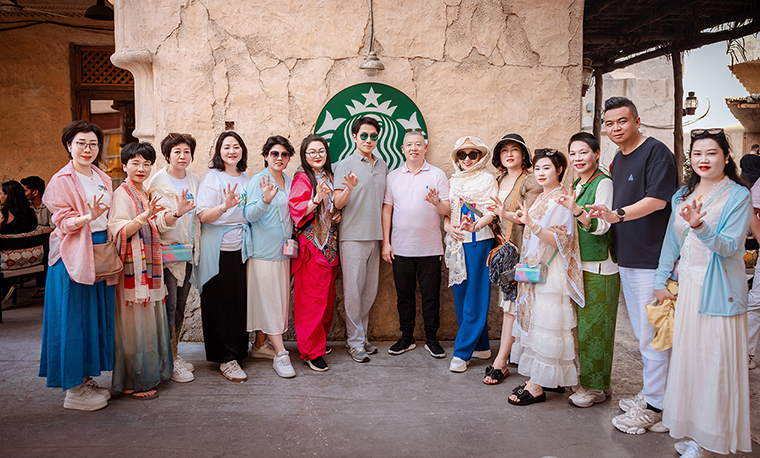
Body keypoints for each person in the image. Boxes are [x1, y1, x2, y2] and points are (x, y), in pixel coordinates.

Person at [654, 128, 751, 456]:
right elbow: (672, 241)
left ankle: (710, 442)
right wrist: (660, 279)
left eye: (712, 153)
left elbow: (730, 247)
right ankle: (696, 433)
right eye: (697, 153)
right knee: (691, 364)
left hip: (719, 291)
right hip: (689, 288)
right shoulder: (682, 195)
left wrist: (699, 225)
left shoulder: (738, 195)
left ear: (727, 156)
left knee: (715, 366)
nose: (704, 159)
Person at [587, 97, 678, 434]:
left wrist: (618, 215)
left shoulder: (656, 153)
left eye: (622, 121)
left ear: (637, 121)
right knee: (644, 334)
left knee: (652, 336)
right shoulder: (618, 158)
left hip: (651, 260)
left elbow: (658, 201)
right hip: (627, 257)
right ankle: (657, 396)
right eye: (609, 123)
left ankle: (654, 406)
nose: (615, 128)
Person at [38, 120, 115, 411]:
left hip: (98, 252)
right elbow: (62, 222)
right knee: (72, 319)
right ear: (69, 145)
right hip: (71, 255)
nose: (87, 149)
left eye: (93, 144)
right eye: (80, 143)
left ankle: (85, 379)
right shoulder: (61, 180)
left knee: (91, 317)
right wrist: (87, 217)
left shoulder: (101, 176)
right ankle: (73, 390)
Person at [506, 149, 584, 405]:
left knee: (546, 325)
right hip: (536, 268)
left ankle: (536, 385)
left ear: (559, 170)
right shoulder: (543, 195)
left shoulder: (560, 198)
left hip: (551, 271)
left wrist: (533, 225)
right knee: (538, 324)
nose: (540, 173)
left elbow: (561, 240)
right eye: (537, 168)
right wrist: (505, 214)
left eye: (546, 168)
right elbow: (528, 222)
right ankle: (548, 379)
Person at [555, 132, 619, 407]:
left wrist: (576, 211)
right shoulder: (577, 184)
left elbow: (602, 225)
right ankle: (595, 382)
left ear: (597, 153)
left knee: (596, 328)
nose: (578, 158)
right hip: (580, 263)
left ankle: (595, 388)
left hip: (600, 266)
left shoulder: (604, 183)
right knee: (583, 327)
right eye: (573, 153)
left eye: (583, 152)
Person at [109, 142, 175, 399]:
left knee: (144, 325)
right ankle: (133, 381)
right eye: (135, 163)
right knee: (132, 327)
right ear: (124, 165)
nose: (141, 168)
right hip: (132, 272)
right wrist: (143, 217)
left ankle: (142, 375)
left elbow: (155, 224)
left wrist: (176, 213)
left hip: (146, 269)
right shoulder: (122, 194)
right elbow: (119, 230)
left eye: (146, 164)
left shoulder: (143, 192)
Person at [381, 130, 450, 358]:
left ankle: (431, 339)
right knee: (404, 296)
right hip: (401, 248)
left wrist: (436, 202)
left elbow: (447, 209)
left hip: (430, 248)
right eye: (409, 144)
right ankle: (406, 338)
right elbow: (387, 209)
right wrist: (386, 243)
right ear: (402, 149)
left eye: (418, 144)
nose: (414, 148)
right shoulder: (393, 177)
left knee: (431, 296)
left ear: (425, 148)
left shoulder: (437, 174)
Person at [483, 133, 541, 384]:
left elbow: (532, 217)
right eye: (504, 150)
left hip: (524, 251)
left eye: (514, 150)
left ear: (523, 154)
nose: (509, 154)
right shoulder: (498, 179)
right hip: (504, 252)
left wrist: (504, 213)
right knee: (510, 305)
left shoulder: (531, 181)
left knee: (514, 305)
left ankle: (502, 361)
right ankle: (512, 357)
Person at [194, 131, 251, 382]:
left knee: (237, 303)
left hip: (241, 250)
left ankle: (238, 352)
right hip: (217, 250)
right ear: (219, 151)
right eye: (226, 147)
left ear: (242, 151)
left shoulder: (246, 178)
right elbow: (204, 216)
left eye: (236, 146)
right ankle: (224, 358)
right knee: (218, 304)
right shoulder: (212, 178)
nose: (231, 151)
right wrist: (224, 206)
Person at [147, 133, 200, 384]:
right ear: (167, 154)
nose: (182, 156)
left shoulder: (193, 179)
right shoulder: (158, 181)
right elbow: (154, 221)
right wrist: (176, 214)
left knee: (180, 306)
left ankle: (174, 353)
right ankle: (167, 360)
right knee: (168, 307)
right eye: (177, 151)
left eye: (187, 151)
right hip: (167, 254)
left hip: (187, 252)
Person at [333, 116, 387, 363]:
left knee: (368, 292)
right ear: (354, 137)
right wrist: (350, 188)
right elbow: (337, 203)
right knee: (353, 292)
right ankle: (354, 342)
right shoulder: (345, 164)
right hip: (353, 236)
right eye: (364, 135)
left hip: (375, 236)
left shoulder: (382, 164)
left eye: (373, 136)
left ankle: (361, 337)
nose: (368, 140)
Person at [244, 135, 297, 378]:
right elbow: (249, 215)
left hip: (284, 252)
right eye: (274, 153)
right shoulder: (258, 180)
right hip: (263, 253)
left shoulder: (290, 181)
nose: (279, 158)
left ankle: (259, 345)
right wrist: (265, 200)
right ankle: (281, 353)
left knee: (275, 299)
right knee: (271, 302)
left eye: (284, 154)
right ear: (266, 156)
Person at [444, 136, 497, 373]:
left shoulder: (487, 180)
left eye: (472, 154)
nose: (467, 159)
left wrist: (476, 226)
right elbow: (449, 213)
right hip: (457, 242)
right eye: (462, 155)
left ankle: (462, 352)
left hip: (479, 241)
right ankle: (481, 346)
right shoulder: (454, 180)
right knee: (461, 294)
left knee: (475, 295)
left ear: (481, 156)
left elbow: (492, 212)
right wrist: (448, 227)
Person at [289, 134, 340, 372]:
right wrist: (317, 199)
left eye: (321, 151)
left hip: (330, 244)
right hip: (312, 247)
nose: (317, 155)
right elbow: (297, 208)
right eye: (312, 152)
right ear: (304, 155)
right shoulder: (302, 177)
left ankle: (318, 341)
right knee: (311, 301)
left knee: (326, 299)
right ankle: (311, 350)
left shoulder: (329, 176)